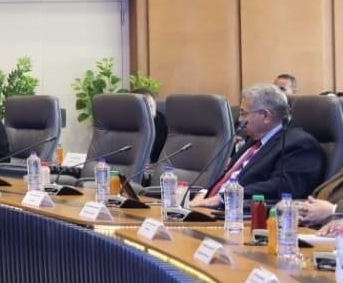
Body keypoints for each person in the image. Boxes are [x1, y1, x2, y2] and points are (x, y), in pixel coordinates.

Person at [190, 84, 324, 211]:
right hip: (210, 207)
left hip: (238, 214)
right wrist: (204, 193)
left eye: (243, 113)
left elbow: (282, 187)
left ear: (265, 116)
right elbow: (229, 176)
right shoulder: (254, 139)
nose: (240, 119)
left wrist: (222, 198)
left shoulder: (300, 144)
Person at [132, 87, 168, 163]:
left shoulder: (164, 123)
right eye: (144, 107)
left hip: (155, 165)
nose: (148, 111)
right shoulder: (126, 124)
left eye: (151, 106)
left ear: (155, 104)